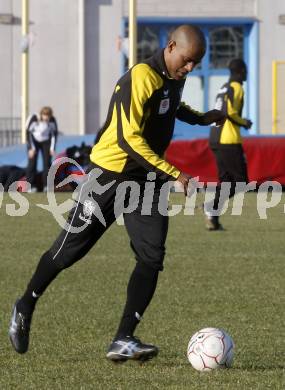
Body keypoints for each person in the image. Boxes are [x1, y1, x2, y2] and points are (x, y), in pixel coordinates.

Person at [9, 25, 224, 362]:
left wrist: (202, 118)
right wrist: (175, 172)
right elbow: (130, 140)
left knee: (151, 257)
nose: (191, 69)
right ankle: (25, 305)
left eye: (197, 63)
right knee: (68, 252)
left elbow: (170, 106)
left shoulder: (173, 78)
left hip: (147, 179)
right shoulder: (140, 77)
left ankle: (124, 337)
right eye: (187, 61)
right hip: (110, 175)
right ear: (171, 47)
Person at [206, 59, 252, 231]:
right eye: (245, 70)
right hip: (228, 139)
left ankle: (213, 219)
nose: (247, 74)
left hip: (215, 137)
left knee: (226, 181)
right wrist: (244, 122)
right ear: (240, 71)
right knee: (241, 182)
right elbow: (230, 112)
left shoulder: (224, 87)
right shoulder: (237, 87)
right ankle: (211, 206)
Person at [26, 106, 58, 192]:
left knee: (47, 164)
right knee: (32, 163)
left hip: (46, 142)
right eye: (44, 115)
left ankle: (46, 186)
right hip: (34, 141)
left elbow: (54, 135)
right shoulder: (34, 119)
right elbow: (28, 133)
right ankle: (30, 186)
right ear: (41, 114)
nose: (46, 117)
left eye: (48, 115)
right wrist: (31, 148)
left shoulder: (52, 120)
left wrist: (52, 148)